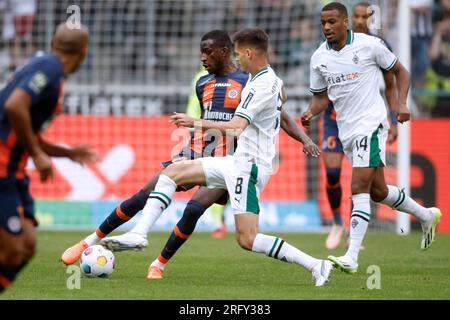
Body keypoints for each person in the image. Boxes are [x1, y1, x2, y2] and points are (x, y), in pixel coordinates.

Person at [61, 30, 320, 267]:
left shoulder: (249, 80)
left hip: (231, 157)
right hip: (197, 151)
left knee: (195, 209)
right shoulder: (201, 82)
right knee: (145, 192)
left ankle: (158, 264)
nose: (203, 58)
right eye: (201, 52)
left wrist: (304, 139)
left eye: (207, 52)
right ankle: (90, 240)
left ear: (224, 51)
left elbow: (279, 113)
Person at [136, 27, 333, 286]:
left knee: (247, 239)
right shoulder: (269, 78)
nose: (236, 60)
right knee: (173, 171)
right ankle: (139, 234)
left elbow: (236, 127)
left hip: (248, 169)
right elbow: (281, 97)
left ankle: (316, 265)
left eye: (239, 55)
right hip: (235, 162)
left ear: (250, 53)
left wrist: (193, 122)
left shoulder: (259, 87)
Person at [302, 2, 442, 274]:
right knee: (378, 191)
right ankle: (427, 215)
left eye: (332, 22)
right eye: (323, 23)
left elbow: (401, 72)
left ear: (345, 22)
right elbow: (320, 98)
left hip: (371, 125)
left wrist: (401, 105)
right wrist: (310, 112)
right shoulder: (318, 58)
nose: (327, 27)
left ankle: (351, 256)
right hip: (347, 131)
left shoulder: (370, 45)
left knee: (358, 188)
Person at [0, 23, 94, 293]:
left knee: (27, 246)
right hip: (2, 166)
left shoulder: (44, 67)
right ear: (84, 51)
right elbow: (14, 105)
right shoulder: (49, 70)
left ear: (54, 41)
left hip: (14, 170)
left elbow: (24, 127)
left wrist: (67, 154)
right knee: (11, 250)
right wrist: (39, 155)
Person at [322, 2, 399, 250]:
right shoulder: (331, 44)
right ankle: (336, 223)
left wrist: (393, 118)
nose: (360, 20)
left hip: (365, 121)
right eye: (356, 16)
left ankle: (351, 239)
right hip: (335, 120)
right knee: (333, 173)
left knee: (362, 181)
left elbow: (391, 83)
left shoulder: (376, 46)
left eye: (365, 16)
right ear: (348, 19)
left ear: (371, 18)